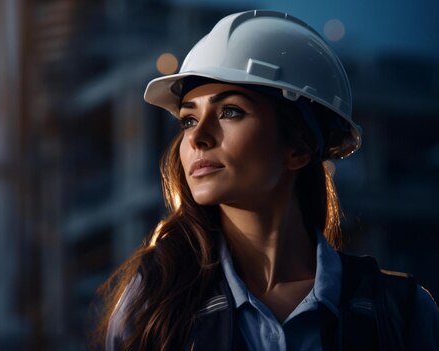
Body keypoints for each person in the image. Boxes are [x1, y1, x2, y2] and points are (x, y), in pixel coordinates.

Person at [95, 10, 439, 350]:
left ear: (297, 148)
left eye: (230, 112)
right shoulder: (152, 306)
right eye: (187, 120)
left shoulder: (400, 313)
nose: (197, 137)